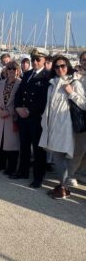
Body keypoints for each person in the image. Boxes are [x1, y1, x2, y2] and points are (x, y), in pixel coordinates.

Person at [38, 55, 86, 199]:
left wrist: (71, 93)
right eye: (57, 67)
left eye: (63, 66)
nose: (60, 69)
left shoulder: (74, 82)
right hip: (52, 125)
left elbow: (84, 104)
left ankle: (63, 187)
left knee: (62, 157)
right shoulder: (52, 83)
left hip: (66, 127)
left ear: (68, 66)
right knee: (57, 157)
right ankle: (62, 186)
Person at [13, 47, 51, 188]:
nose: (34, 62)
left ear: (44, 60)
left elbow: (44, 100)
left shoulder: (47, 77)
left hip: (36, 119)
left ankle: (38, 177)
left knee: (37, 150)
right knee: (24, 146)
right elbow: (19, 94)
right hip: (23, 117)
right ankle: (22, 171)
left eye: (37, 59)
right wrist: (17, 107)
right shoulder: (27, 74)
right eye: (33, 59)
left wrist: (30, 111)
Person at [0, 61, 21, 175]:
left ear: (18, 70)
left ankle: (11, 167)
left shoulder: (20, 84)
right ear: (6, 71)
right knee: (0, 142)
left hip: (11, 117)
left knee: (12, 145)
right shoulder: (0, 83)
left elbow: (20, 102)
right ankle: (1, 164)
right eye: (9, 69)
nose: (11, 71)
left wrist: (8, 111)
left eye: (14, 69)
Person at [67, 51, 86, 185]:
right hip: (81, 118)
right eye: (83, 59)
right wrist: (72, 94)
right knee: (79, 149)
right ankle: (70, 174)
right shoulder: (75, 78)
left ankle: (80, 173)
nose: (85, 61)